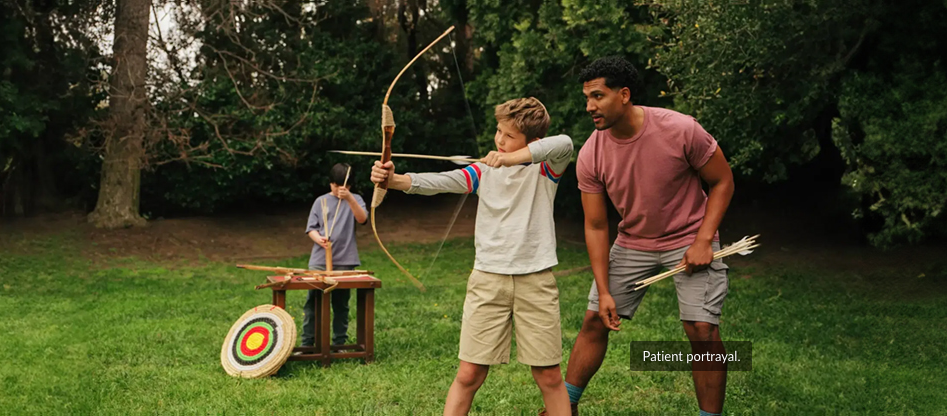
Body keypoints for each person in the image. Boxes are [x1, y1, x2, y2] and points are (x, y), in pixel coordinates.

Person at [371, 97, 576, 416]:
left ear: (531, 142)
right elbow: (440, 182)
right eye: (498, 131)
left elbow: (564, 142)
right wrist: (395, 181)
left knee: (548, 375)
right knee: (468, 374)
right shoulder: (483, 172)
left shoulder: (547, 169)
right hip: (487, 281)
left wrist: (510, 160)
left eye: (509, 136)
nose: (499, 140)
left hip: (536, 281)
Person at [561, 56, 737, 416]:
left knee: (701, 330)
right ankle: (564, 408)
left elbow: (722, 181)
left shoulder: (680, 129)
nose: (589, 106)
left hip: (690, 236)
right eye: (586, 97)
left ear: (624, 94)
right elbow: (596, 226)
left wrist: (704, 239)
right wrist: (605, 291)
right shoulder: (591, 152)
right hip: (633, 242)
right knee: (595, 319)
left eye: (597, 96)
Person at [301, 163, 368, 347]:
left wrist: (349, 199)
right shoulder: (320, 201)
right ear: (330, 184)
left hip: (345, 260)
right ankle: (308, 344)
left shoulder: (356, 199)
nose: (340, 189)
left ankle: (339, 344)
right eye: (336, 185)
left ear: (350, 186)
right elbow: (311, 229)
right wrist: (319, 239)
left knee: (340, 305)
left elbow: (362, 219)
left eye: (344, 186)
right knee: (313, 304)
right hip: (319, 261)